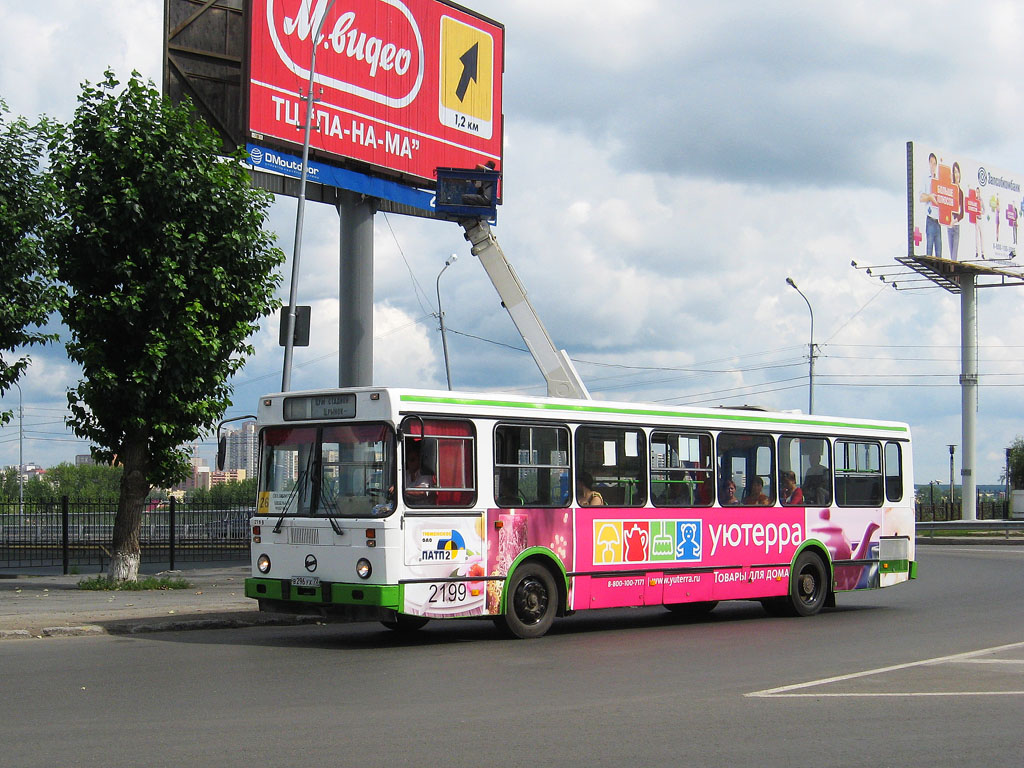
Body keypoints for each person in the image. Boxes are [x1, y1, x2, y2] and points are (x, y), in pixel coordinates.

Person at [919, 152, 942, 257]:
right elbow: (921, 197)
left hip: (939, 221)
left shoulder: (939, 180)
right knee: (929, 251)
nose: (933, 166)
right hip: (930, 218)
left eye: (935, 163)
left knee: (939, 253)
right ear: (929, 163)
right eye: (931, 163)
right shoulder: (926, 179)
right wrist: (930, 197)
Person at [947, 161, 964, 260]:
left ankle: (954, 275)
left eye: (957, 172)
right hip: (949, 225)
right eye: (954, 172)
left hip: (956, 225)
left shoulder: (960, 192)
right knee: (950, 255)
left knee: (954, 257)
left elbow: (962, 214)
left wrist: (954, 221)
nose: (956, 174)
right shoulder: (950, 189)